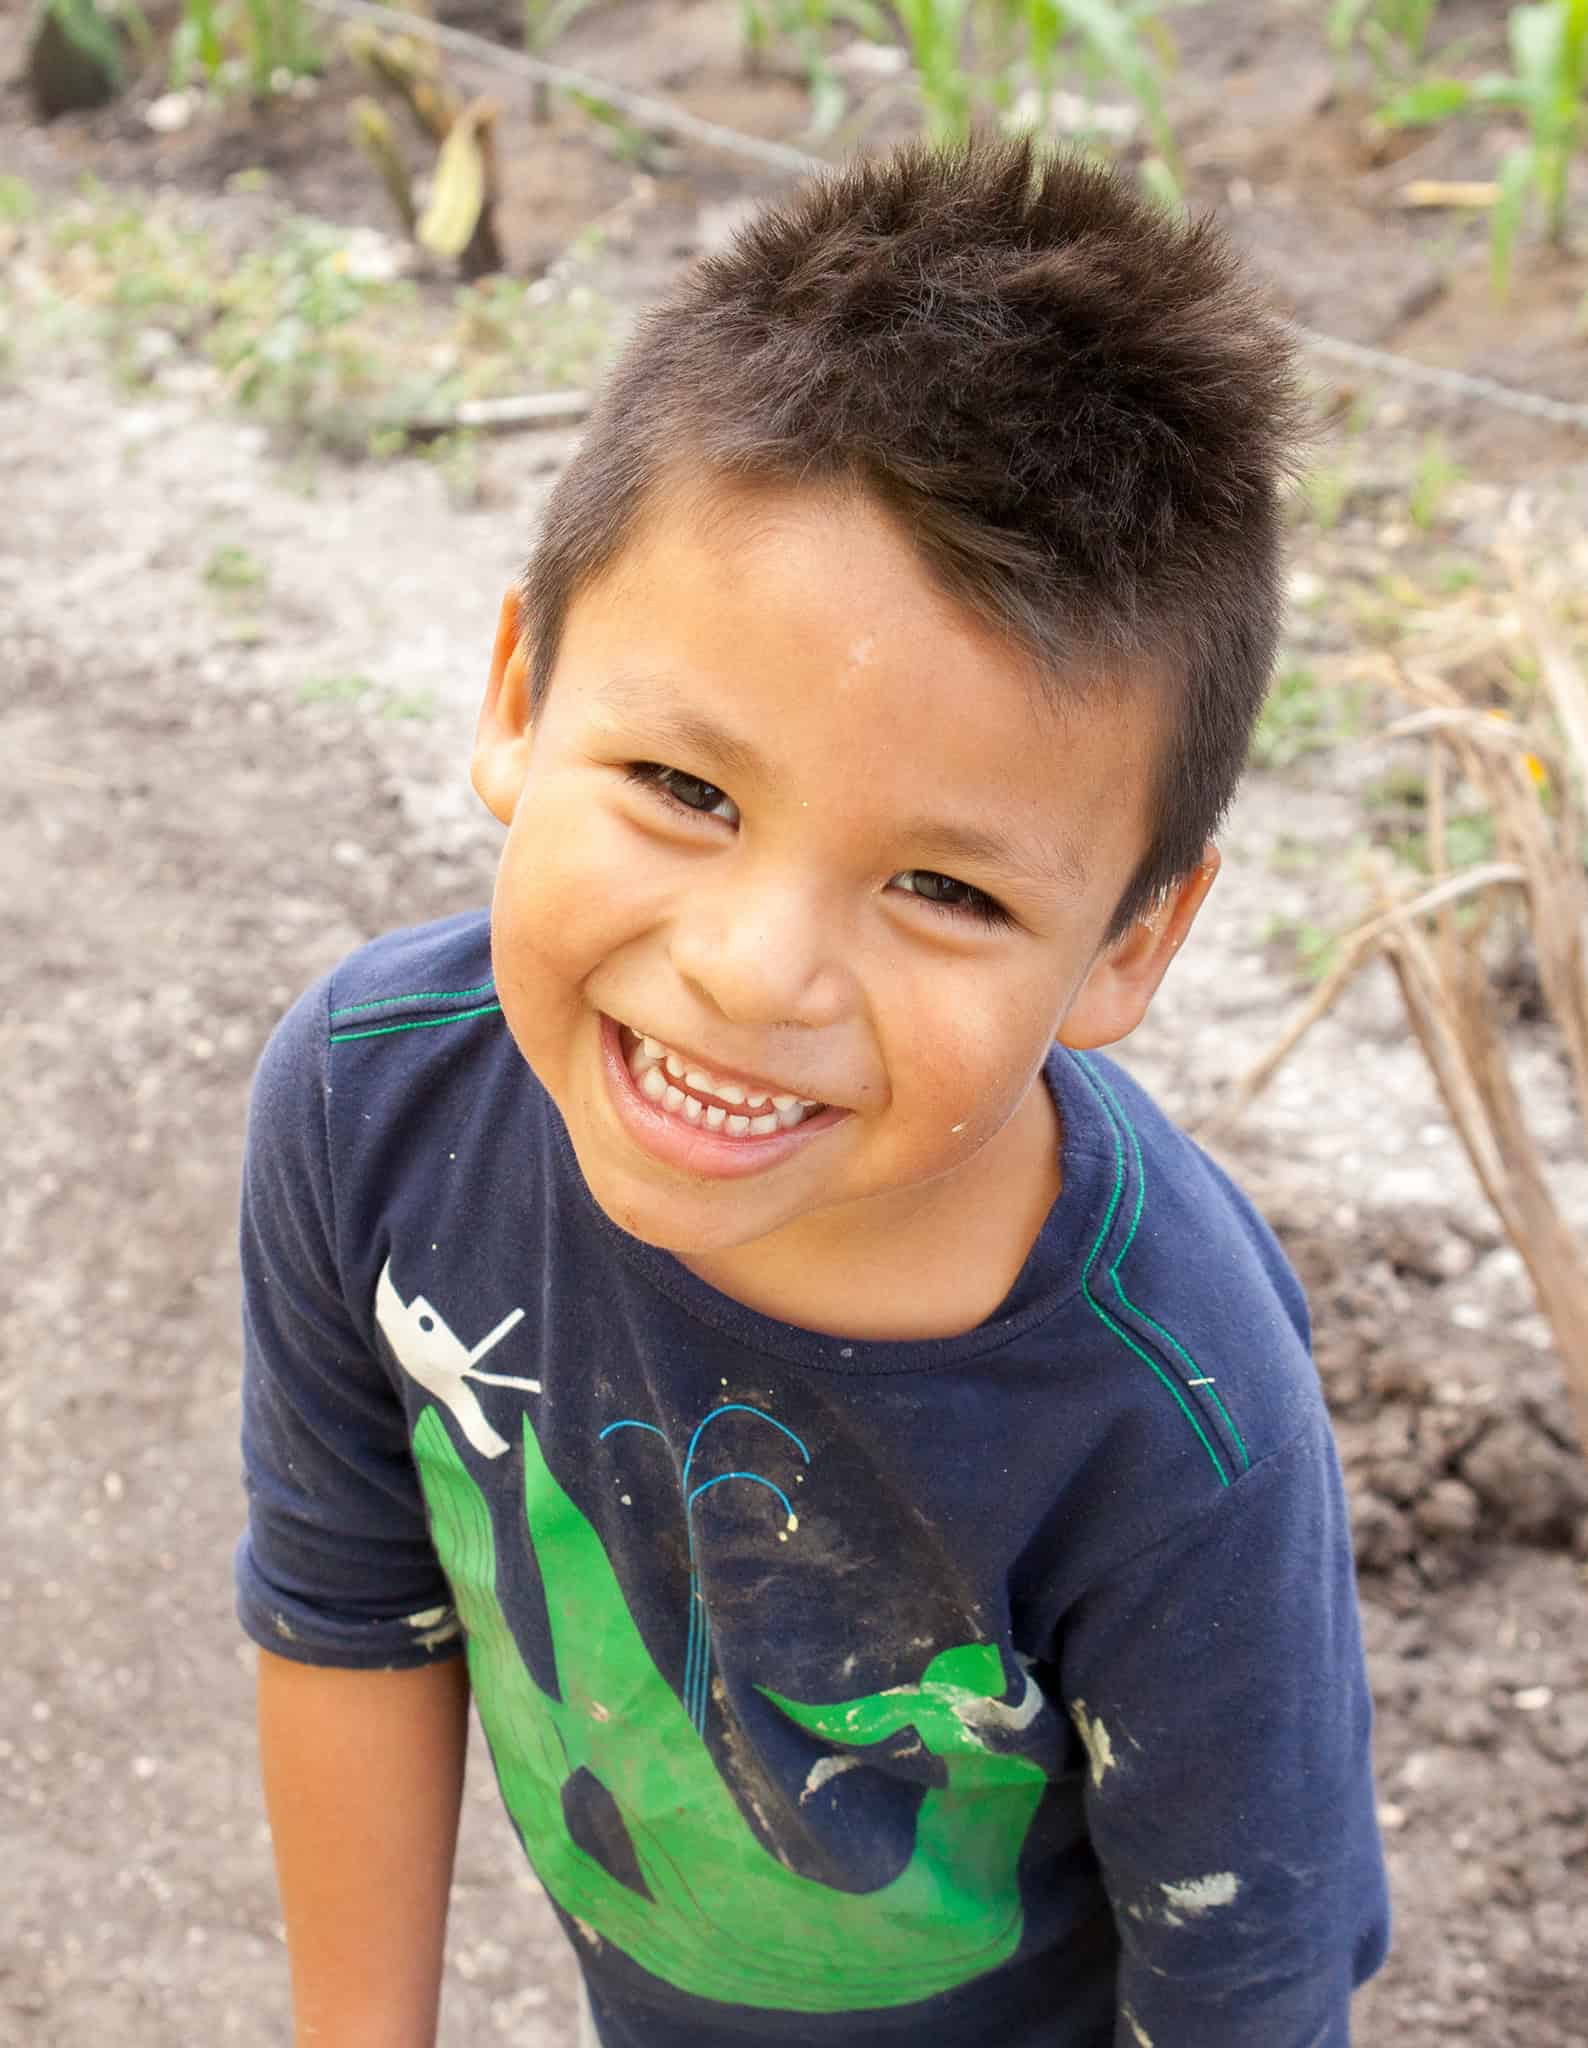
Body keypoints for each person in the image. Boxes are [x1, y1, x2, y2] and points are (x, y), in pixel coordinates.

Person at [236, 137, 1389, 2048]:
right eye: (687, 791)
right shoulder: (374, 1117)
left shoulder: (1173, 1410)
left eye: (945, 888)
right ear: (519, 692)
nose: (756, 970)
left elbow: (1243, 1985)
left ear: (1125, 943)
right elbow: (353, 1614)